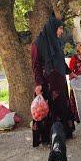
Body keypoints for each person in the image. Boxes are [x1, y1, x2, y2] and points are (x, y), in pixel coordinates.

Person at [31, 14, 76, 147]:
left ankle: (63, 134)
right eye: (60, 29)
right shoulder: (37, 44)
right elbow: (36, 65)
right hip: (47, 83)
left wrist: (70, 72)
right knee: (48, 109)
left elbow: (61, 61)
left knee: (61, 107)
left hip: (60, 82)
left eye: (62, 29)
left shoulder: (57, 42)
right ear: (52, 28)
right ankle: (48, 137)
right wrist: (38, 83)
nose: (61, 31)